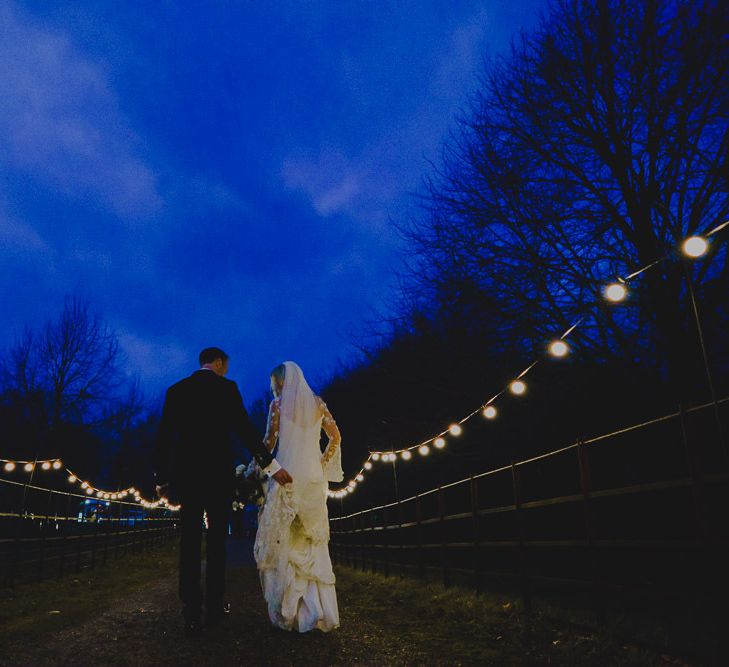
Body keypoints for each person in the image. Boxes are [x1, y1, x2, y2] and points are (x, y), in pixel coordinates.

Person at [154, 347, 293, 636]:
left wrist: (161, 477)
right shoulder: (227, 389)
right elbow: (245, 430)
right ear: (218, 363)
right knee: (217, 543)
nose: (227, 370)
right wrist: (272, 466)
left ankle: (191, 611)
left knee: (190, 543)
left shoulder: (176, 390)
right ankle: (215, 608)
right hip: (218, 476)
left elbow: (165, 435)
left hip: (188, 477)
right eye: (226, 366)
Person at [254, 361, 343, 632]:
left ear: (279, 382)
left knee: (285, 541)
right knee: (312, 541)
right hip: (313, 480)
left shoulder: (278, 406)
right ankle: (318, 610)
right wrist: (321, 464)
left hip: (286, 477)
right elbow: (336, 437)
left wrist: (252, 467)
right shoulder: (318, 404)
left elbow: (268, 443)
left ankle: (291, 612)